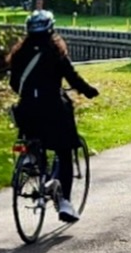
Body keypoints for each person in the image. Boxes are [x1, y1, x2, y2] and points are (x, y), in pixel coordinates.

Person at [7, 11, 99, 223]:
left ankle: (30, 158)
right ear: (51, 29)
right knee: (65, 151)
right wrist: (88, 91)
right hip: (53, 109)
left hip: (27, 110)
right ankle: (65, 202)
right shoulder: (55, 52)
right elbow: (72, 77)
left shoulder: (19, 54)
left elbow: (14, 84)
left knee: (31, 135)